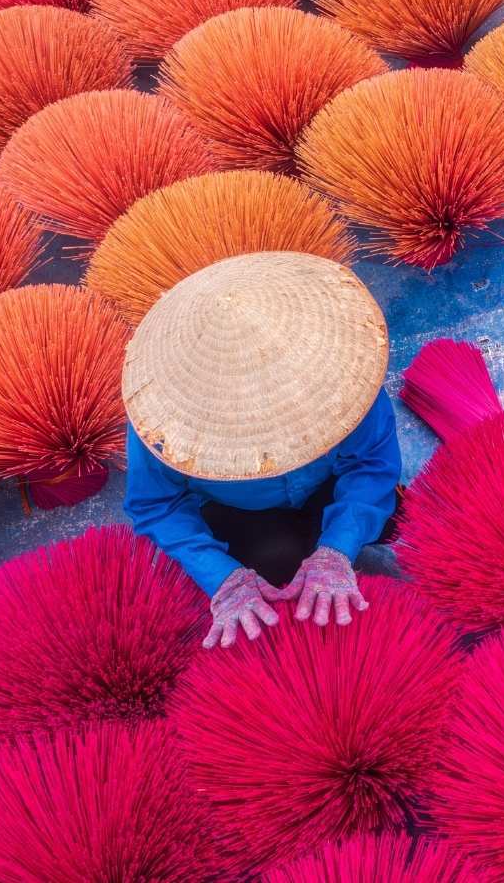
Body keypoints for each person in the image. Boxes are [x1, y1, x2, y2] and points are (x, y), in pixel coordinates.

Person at [121, 251, 401, 649]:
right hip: (243, 511)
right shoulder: (161, 416)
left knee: (393, 514)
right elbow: (156, 506)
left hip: (328, 482)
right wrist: (222, 576)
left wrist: (337, 549)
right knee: (276, 561)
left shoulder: (348, 379)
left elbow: (372, 465)